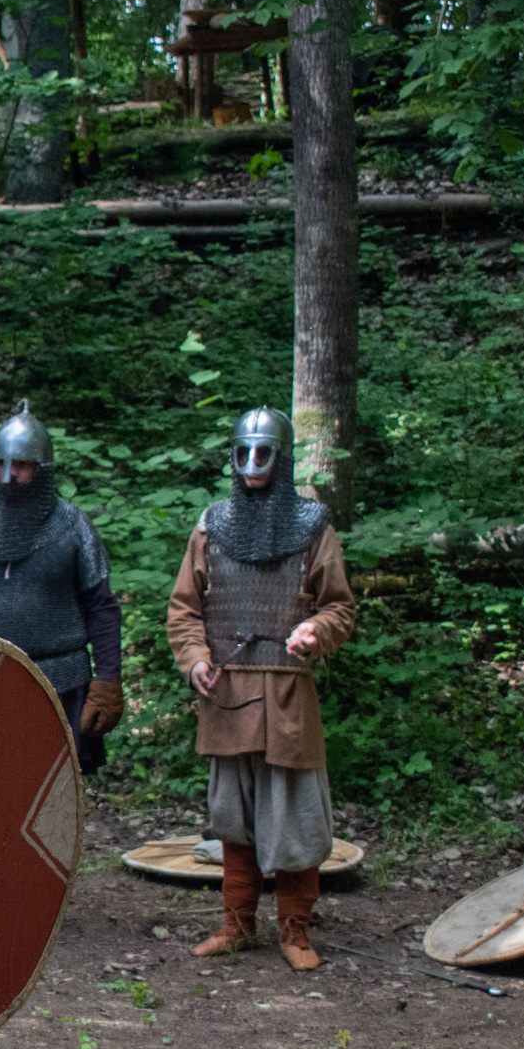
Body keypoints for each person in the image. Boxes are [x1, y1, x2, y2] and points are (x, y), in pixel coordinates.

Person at [166, 407, 356, 971]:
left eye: (263, 454)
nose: (251, 466)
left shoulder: (312, 526)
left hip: (288, 696)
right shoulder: (211, 524)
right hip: (227, 694)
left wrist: (315, 630)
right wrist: (195, 659)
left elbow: (340, 607)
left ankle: (295, 931)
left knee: (297, 816)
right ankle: (238, 926)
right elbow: (183, 610)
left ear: (281, 456)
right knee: (233, 817)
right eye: (243, 454)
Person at [0, 401, 125, 771]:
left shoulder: (72, 528)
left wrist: (108, 680)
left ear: (42, 470)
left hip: (62, 683)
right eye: (1, 465)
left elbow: (101, 609)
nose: (9, 476)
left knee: (58, 796)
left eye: (20, 466)